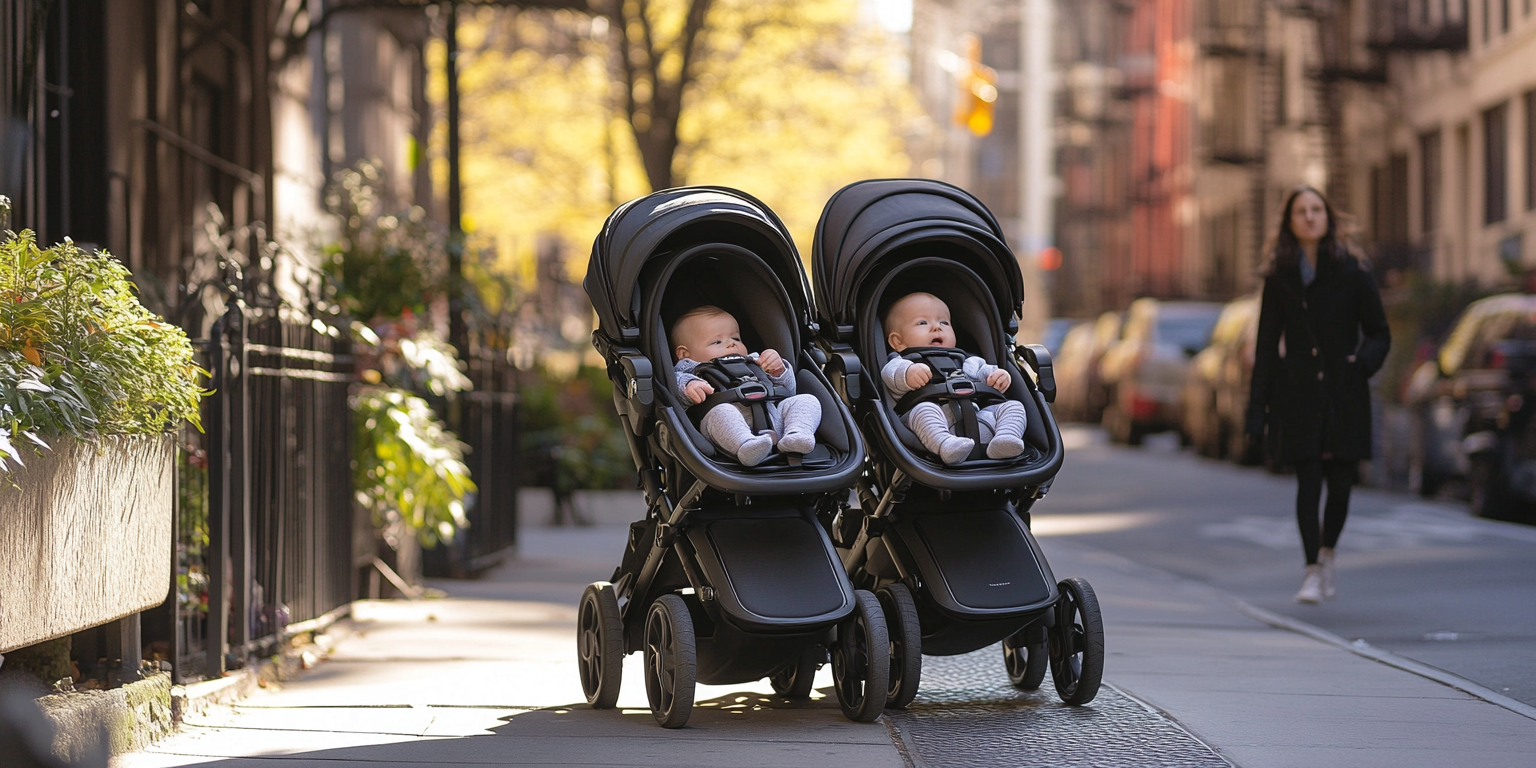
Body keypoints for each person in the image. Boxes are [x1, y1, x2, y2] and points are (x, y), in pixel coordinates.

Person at [1245, 186, 1390, 604]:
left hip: (1345, 392)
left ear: (1328, 217)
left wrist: (1360, 365)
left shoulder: (1353, 270)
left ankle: (1327, 555)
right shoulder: (1279, 277)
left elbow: (1380, 333)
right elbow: (1266, 348)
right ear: (1289, 222)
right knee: (1308, 482)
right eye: (1300, 212)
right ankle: (1311, 570)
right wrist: (1259, 411)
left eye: (1316, 210)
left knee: (1341, 484)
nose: (1309, 217)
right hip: (1300, 393)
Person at [880, 291, 1027, 465]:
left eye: (944, 322)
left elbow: (985, 371)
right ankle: (946, 445)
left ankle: (1005, 439)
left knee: (1013, 407)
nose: (936, 327)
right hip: (932, 425)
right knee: (924, 410)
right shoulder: (902, 362)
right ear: (898, 342)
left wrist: (996, 376)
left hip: (979, 419)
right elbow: (890, 376)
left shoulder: (965, 360)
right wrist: (908, 374)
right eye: (922, 322)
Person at [672, 305, 821, 466]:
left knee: (807, 400)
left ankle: (797, 435)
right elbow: (676, 394)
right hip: (726, 429)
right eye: (717, 341)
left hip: (774, 419)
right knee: (723, 412)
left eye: (736, 339)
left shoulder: (754, 361)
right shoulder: (691, 373)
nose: (731, 344)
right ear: (684, 355)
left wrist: (778, 370)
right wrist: (689, 388)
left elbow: (789, 390)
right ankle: (746, 446)